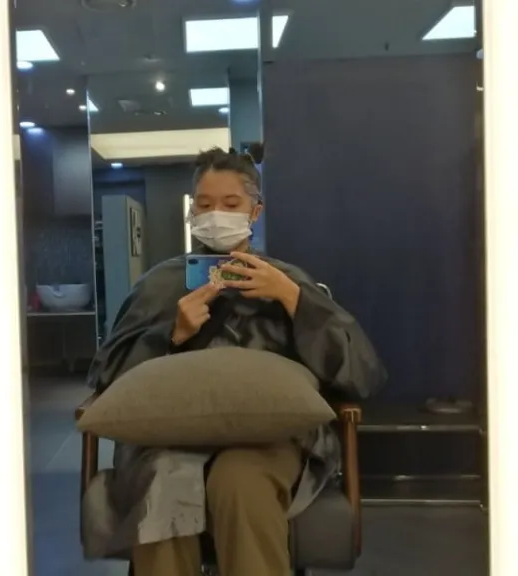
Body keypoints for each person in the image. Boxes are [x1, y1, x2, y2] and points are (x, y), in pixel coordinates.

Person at [82, 146, 386, 576]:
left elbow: (360, 371)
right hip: (166, 440)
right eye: (205, 205)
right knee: (164, 481)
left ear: (255, 211)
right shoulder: (158, 285)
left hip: (268, 440)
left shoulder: (289, 282)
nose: (216, 215)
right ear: (192, 213)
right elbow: (109, 377)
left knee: (241, 481)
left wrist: (292, 299)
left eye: (230, 204)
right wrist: (172, 334)